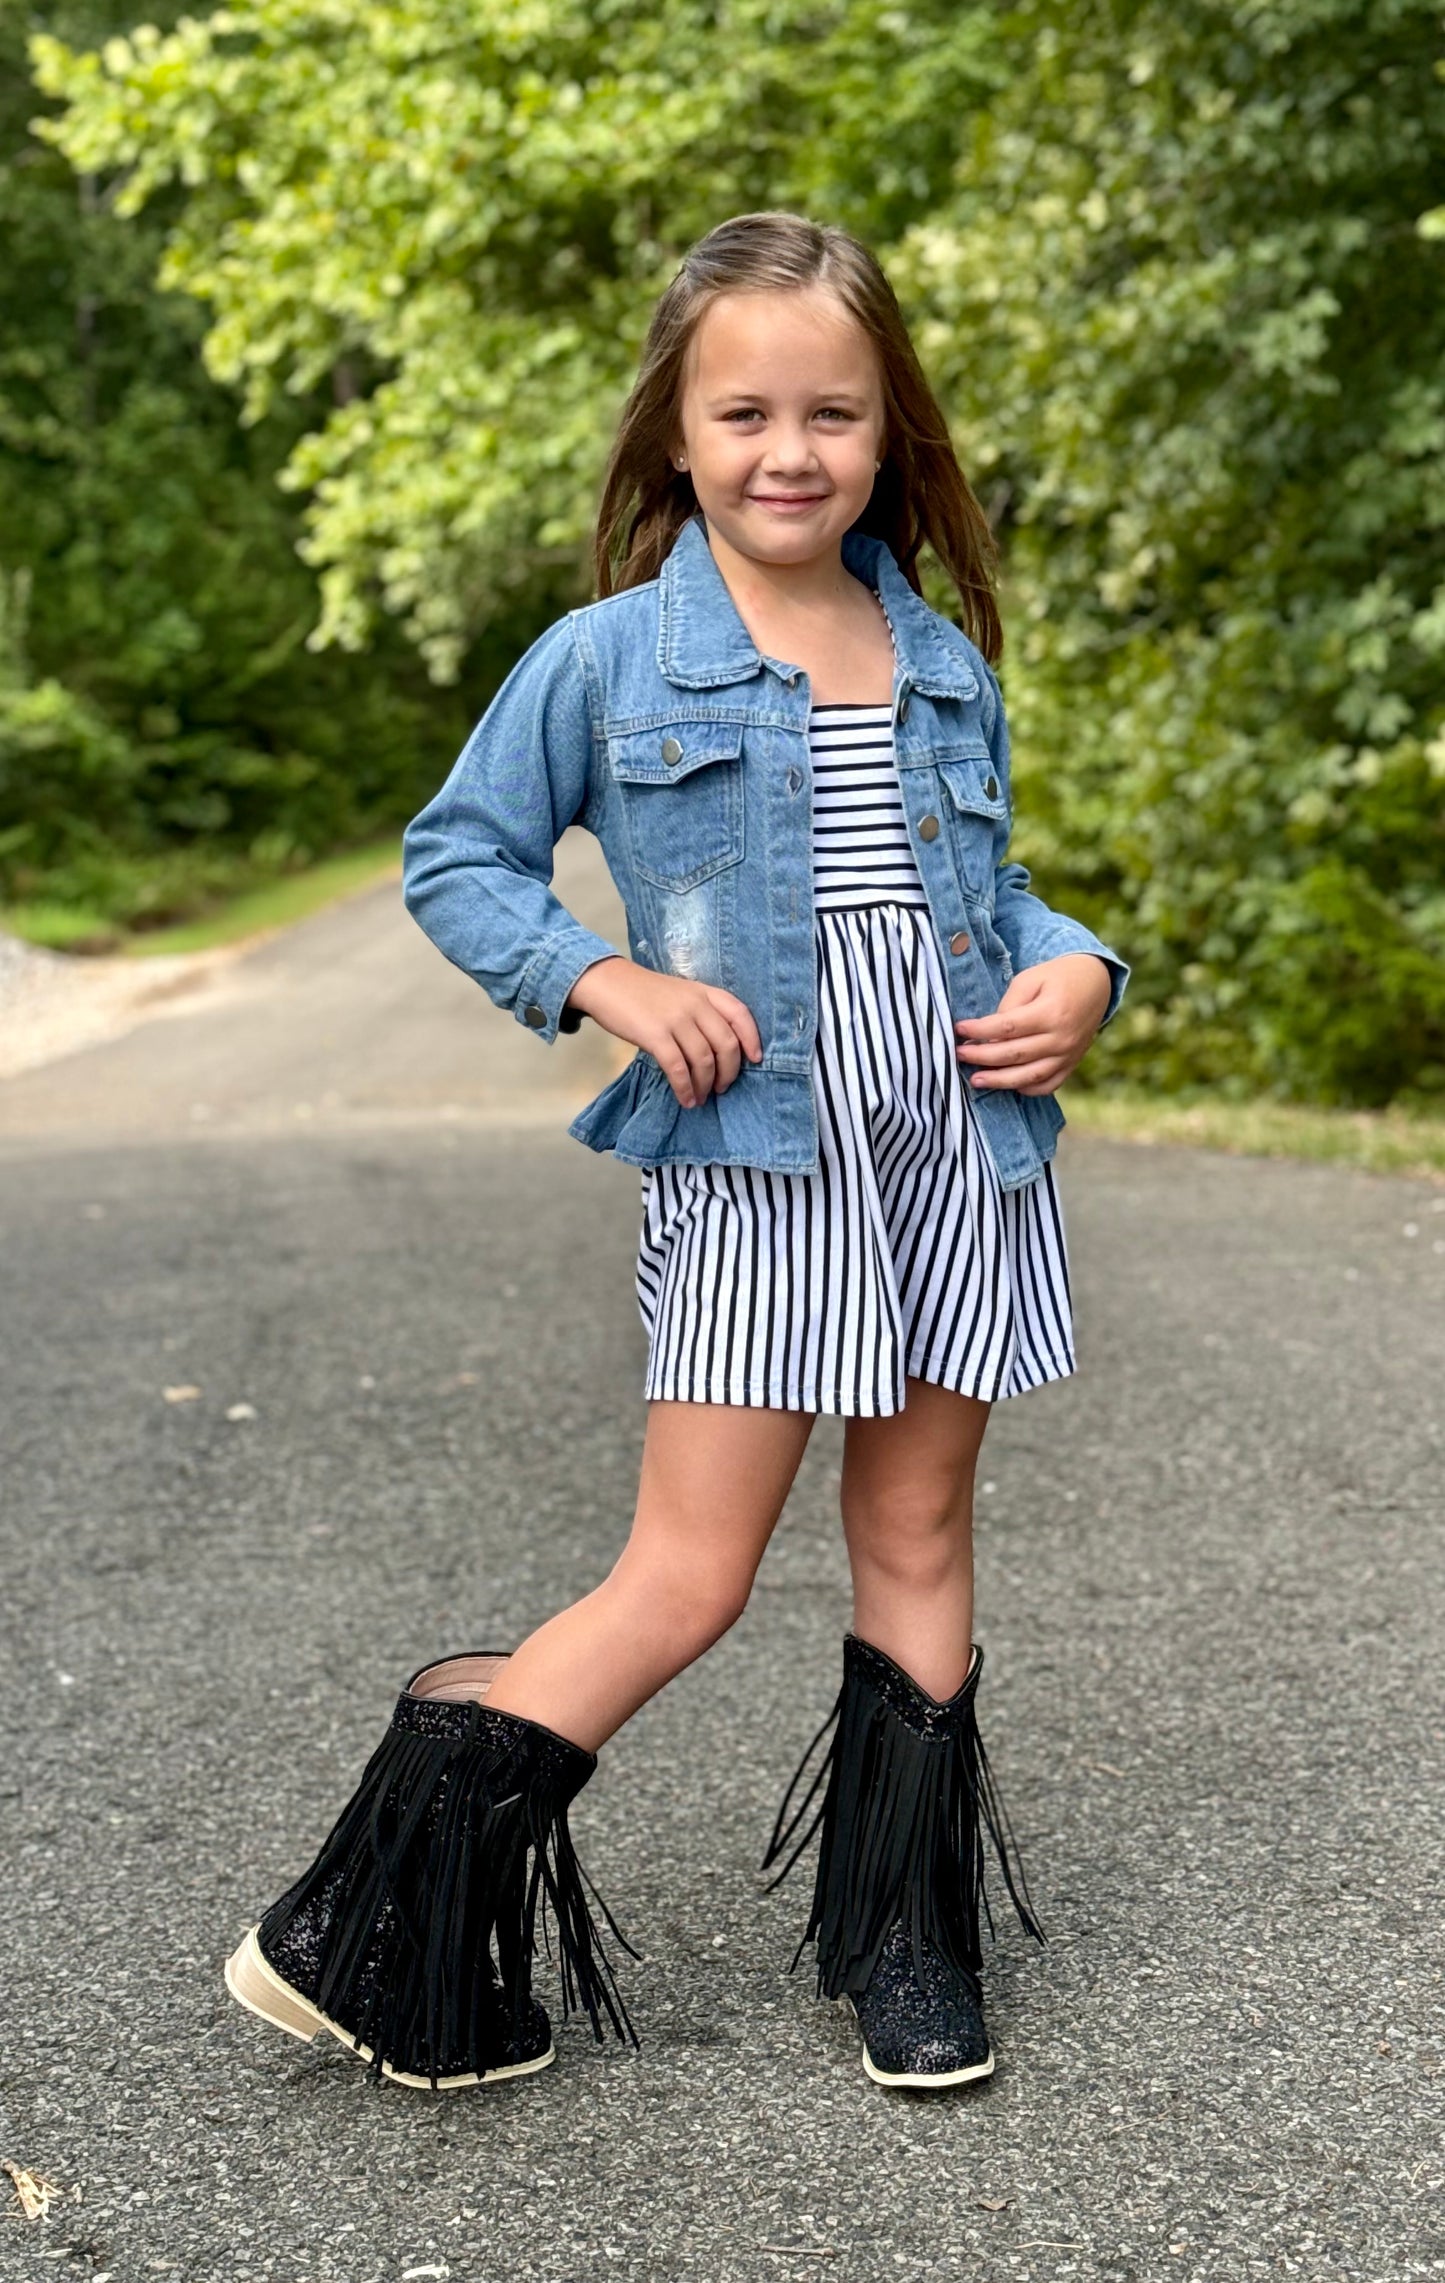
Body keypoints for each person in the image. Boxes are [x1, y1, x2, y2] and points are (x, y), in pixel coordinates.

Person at [223, 211, 1127, 2096]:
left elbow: (997, 887)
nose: (789, 450)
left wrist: (1076, 971)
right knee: (690, 1575)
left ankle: (905, 1935)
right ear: (676, 434)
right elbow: (458, 859)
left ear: (891, 435)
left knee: (920, 1525)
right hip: (758, 1149)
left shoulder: (936, 653)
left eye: (834, 413)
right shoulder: (608, 657)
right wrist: (603, 980)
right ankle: (364, 1921)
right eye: (744, 412)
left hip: (956, 1136)